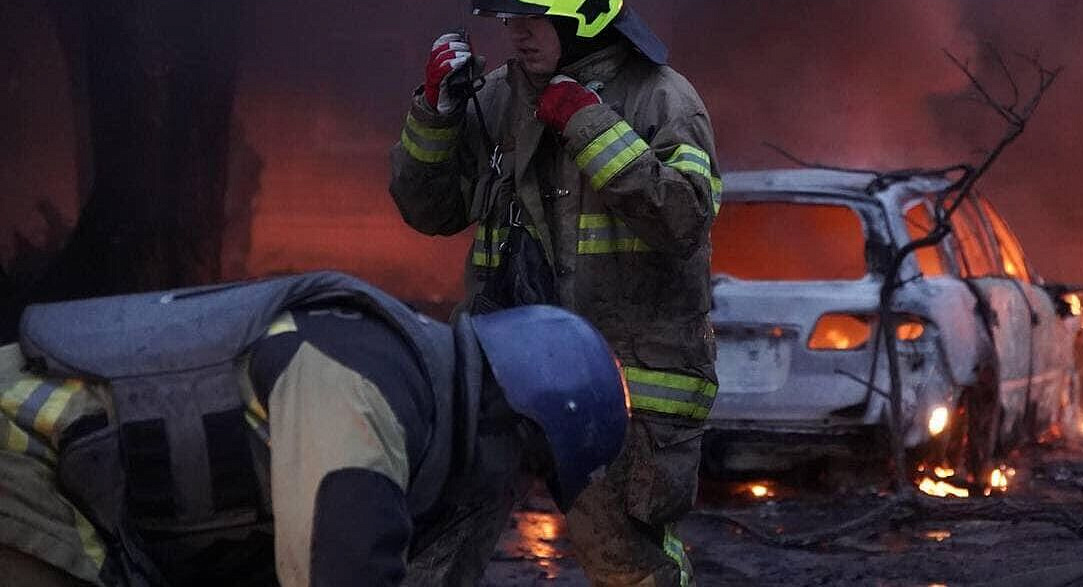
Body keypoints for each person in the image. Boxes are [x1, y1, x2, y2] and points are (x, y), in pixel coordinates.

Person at [389, 0, 721, 586]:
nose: (515, 32)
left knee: (626, 562)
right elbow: (429, 210)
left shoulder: (663, 100)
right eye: (508, 17)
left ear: (586, 12)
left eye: (532, 17)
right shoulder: (498, 99)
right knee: (433, 554)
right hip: (500, 370)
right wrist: (435, 114)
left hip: (622, 380)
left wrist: (590, 125)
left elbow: (685, 219)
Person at [0, 270, 628, 586]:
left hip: (70, 482)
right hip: (23, 456)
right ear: (509, 420)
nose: (515, 494)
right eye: (529, 471)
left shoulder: (405, 384)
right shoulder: (365, 383)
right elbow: (341, 567)